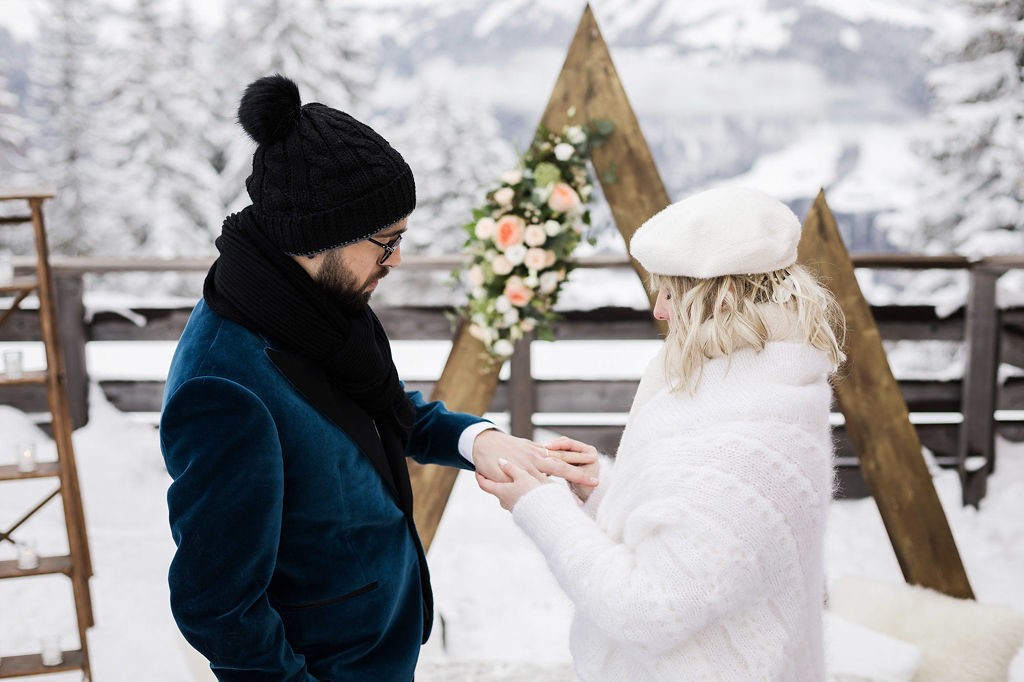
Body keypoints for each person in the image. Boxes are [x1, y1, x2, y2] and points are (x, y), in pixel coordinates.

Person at [159, 74, 592, 681]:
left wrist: (478, 440)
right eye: (386, 242)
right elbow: (217, 607)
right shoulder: (225, 386)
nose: (396, 262)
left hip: (378, 651)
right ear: (318, 236)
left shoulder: (310, 310)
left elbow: (371, 411)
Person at [478, 186, 846, 681]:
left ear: (724, 298)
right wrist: (604, 490)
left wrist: (542, 508)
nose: (660, 310)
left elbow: (650, 608)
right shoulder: (762, 388)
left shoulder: (749, 439)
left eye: (671, 292)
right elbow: (709, 539)